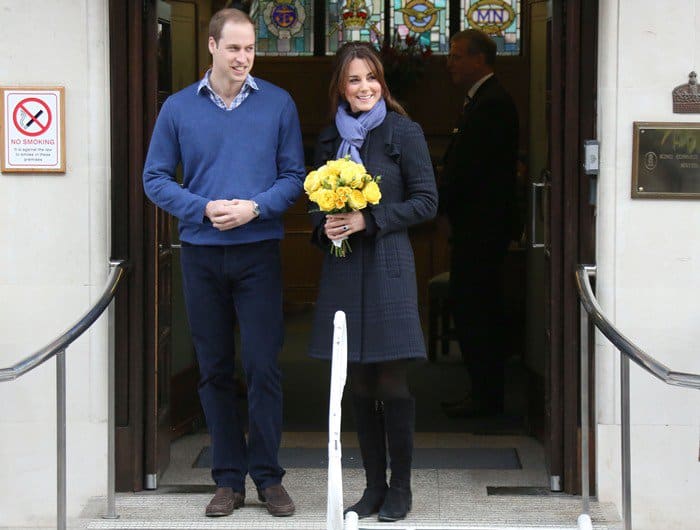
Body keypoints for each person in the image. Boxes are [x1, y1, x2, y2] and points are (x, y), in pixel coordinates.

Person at [142, 8, 304, 518]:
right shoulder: (177, 110)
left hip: (259, 254)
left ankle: (269, 478)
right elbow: (155, 178)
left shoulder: (278, 104)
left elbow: (295, 176)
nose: (243, 58)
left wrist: (255, 206)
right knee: (213, 370)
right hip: (201, 255)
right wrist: (201, 208)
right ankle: (228, 480)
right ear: (211, 47)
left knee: (262, 366)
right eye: (234, 48)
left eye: (250, 48)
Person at [307, 42, 438, 522]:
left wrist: (369, 220)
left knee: (391, 381)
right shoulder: (327, 140)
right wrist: (327, 227)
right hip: (343, 272)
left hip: (388, 268)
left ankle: (401, 488)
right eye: (353, 80)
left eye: (371, 78)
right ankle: (373, 488)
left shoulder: (404, 131)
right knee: (356, 383)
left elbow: (427, 201)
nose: (364, 88)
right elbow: (312, 211)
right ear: (340, 88)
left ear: (382, 82)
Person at [440, 29, 520, 418]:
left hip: (482, 228)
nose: (450, 63)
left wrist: (433, 205)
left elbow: (469, 169)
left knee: (477, 310)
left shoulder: (492, 104)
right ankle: (482, 392)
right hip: (474, 225)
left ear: (479, 60)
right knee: (471, 307)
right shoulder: (481, 100)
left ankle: (488, 398)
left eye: (457, 56)